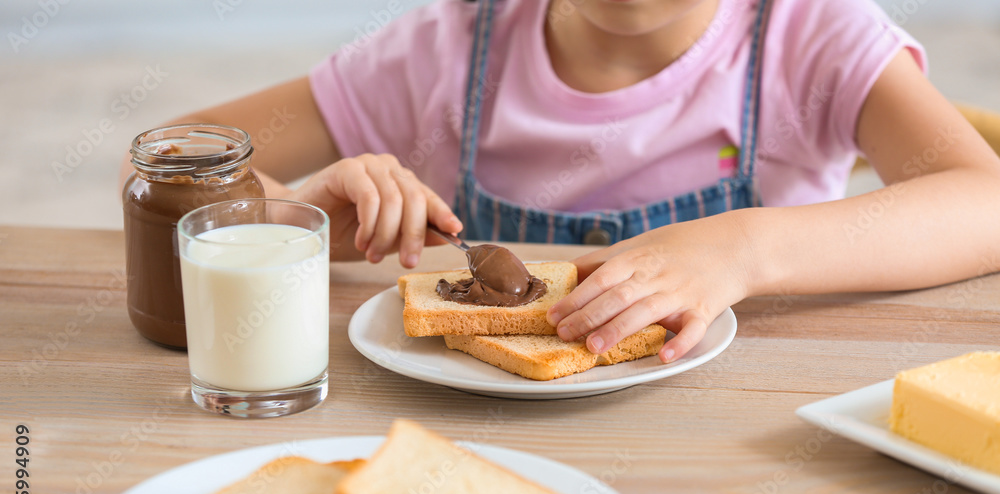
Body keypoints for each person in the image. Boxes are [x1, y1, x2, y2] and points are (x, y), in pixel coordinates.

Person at [156, 0, 1000, 364]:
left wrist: (742, 247)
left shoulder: (810, 33)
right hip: (478, 435)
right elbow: (159, 158)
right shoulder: (445, 47)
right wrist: (288, 218)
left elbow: (984, 202)